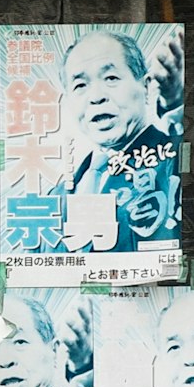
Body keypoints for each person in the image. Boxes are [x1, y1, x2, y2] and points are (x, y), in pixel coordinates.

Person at [55, 28, 177, 255]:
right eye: (80, 85)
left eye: (111, 78)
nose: (96, 97)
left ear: (147, 86)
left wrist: (175, 105)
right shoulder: (59, 193)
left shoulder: (173, 161)